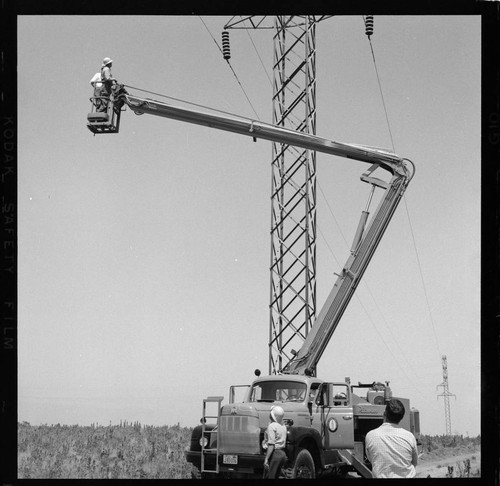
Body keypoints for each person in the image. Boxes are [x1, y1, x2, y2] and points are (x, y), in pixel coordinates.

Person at [365, 399, 418, 478]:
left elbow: (372, 459)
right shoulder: (409, 437)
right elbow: (414, 462)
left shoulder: (371, 436)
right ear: (401, 417)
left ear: (384, 414)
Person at [263, 406, 287, 479]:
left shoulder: (272, 426)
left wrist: (266, 459)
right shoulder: (283, 426)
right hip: (283, 454)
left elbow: (271, 445)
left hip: (275, 454)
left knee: (269, 476)